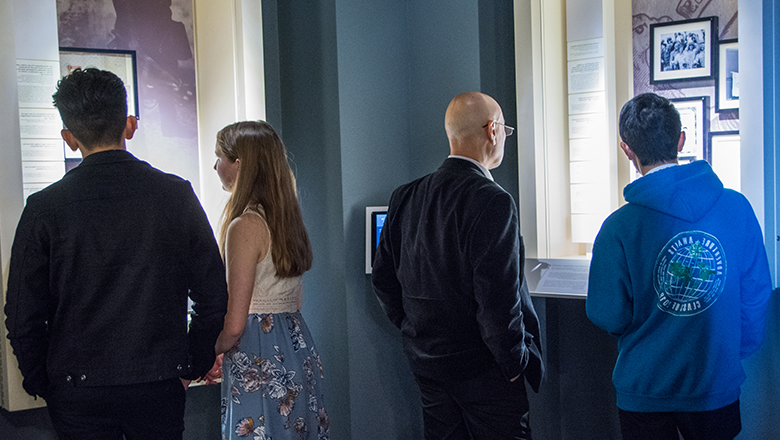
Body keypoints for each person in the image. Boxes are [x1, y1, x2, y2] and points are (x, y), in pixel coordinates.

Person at [4, 68, 228, 439]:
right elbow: (211, 295)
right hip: (158, 381)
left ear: (69, 138)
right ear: (129, 125)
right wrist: (193, 360)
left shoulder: (45, 208)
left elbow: (23, 314)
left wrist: (42, 381)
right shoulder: (175, 196)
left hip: (76, 388)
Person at [586, 92, 772, 440]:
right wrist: (729, 349)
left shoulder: (618, 227)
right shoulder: (737, 208)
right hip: (716, 381)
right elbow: (756, 295)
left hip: (645, 388)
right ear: (682, 139)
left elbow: (607, 312)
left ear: (626, 149)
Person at [372, 91, 543, 440]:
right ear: (492, 131)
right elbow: (498, 298)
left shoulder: (405, 195)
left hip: (427, 363)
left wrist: (412, 327)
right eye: (505, 131)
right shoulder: (493, 200)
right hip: (485, 369)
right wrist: (513, 363)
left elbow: (383, 279)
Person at [212, 121, 329, 439]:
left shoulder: (245, 225)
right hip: (296, 344)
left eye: (219, 157)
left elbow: (236, 323)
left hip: (257, 351)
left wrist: (211, 349)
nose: (215, 166)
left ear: (239, 165)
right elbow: (296, 301)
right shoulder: (288, 221)